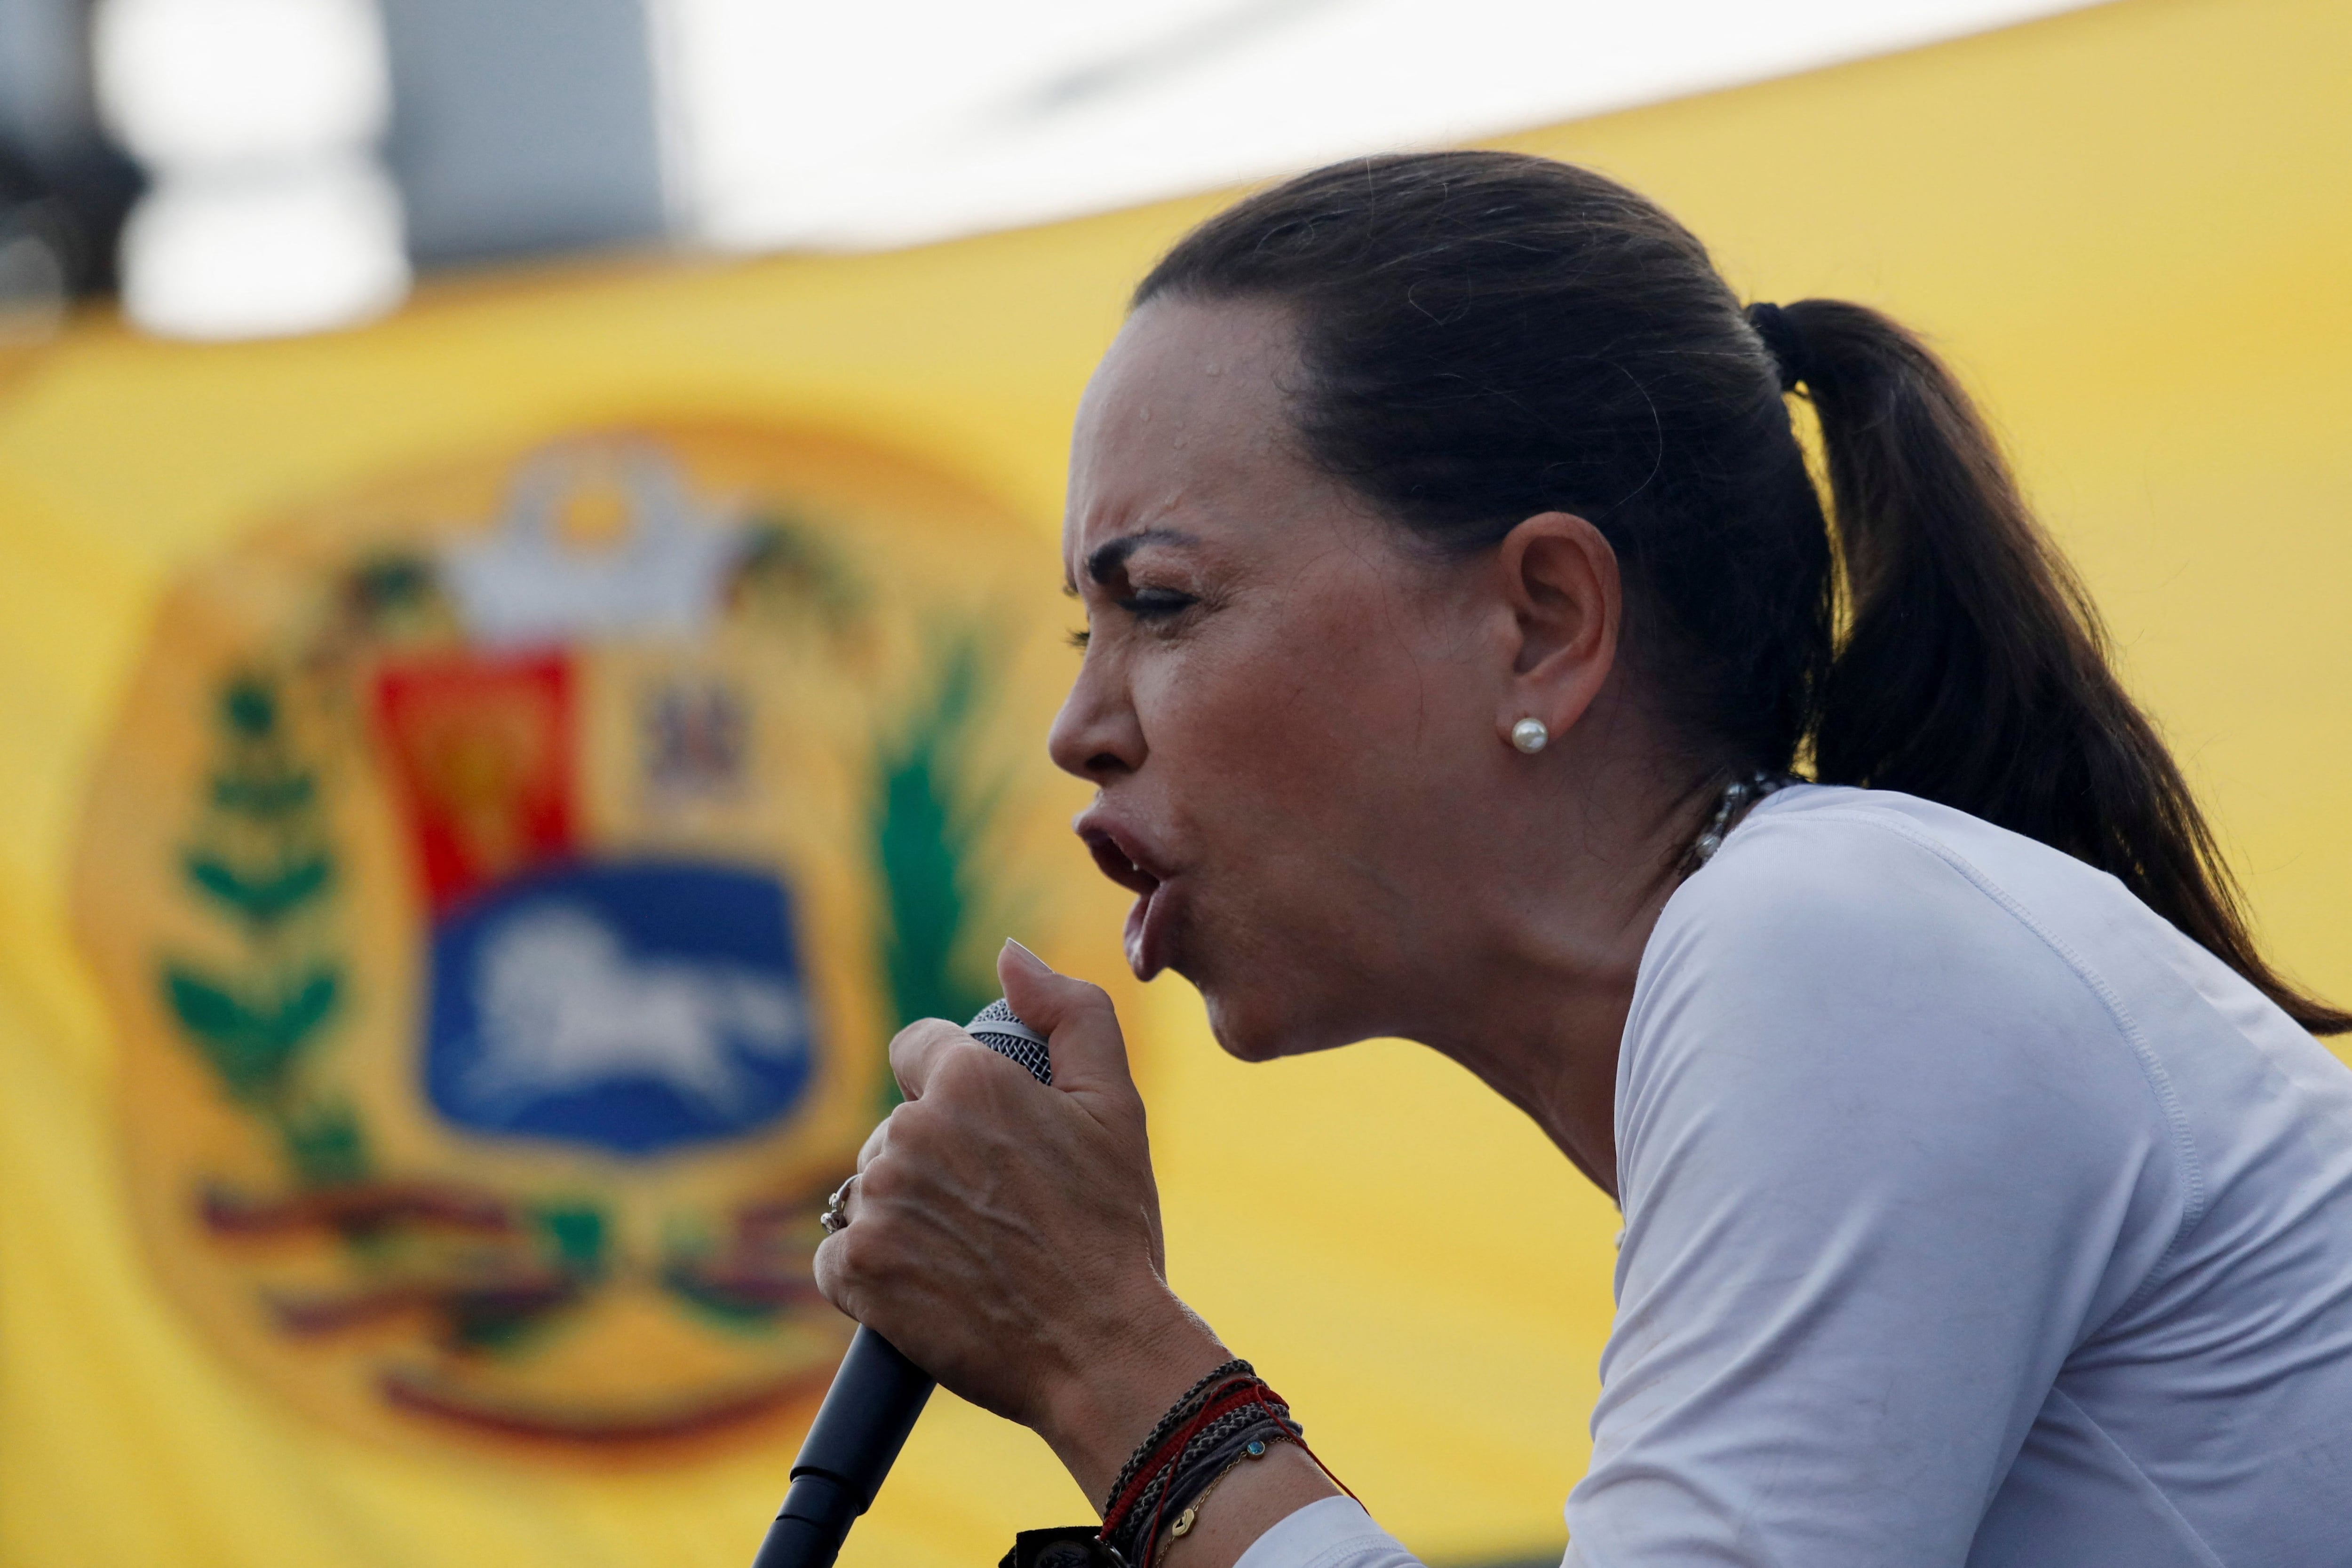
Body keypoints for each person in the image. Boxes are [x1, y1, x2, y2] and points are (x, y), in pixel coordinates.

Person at [811, 151, 2352, 1568]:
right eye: (1089, 634)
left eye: (1159, 603)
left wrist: (1105, 1351)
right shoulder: (1819, 965)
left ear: (1542, 622)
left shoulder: (1829, 935)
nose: (1081, 727)